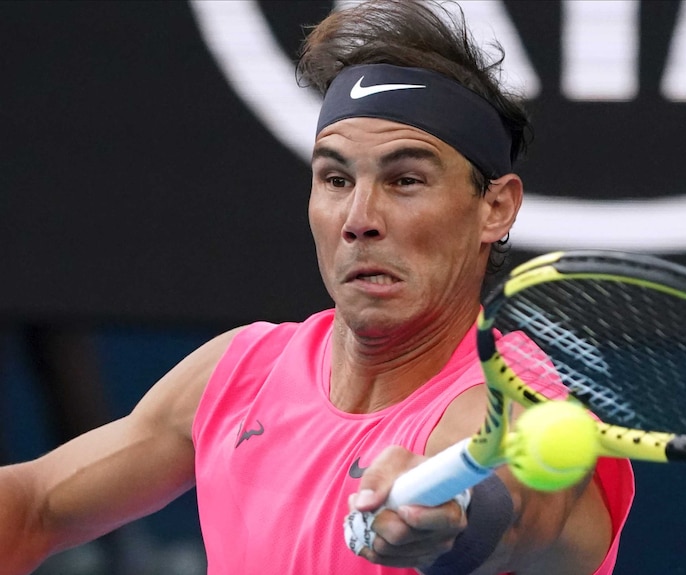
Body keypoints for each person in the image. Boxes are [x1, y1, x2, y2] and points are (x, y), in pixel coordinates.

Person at [0, 1, 634, 573]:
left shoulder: (516, 405)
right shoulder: (239, 372)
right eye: (335, 180)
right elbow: (32, 510)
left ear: (494, 209)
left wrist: (452, 513)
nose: (360, 219)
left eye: (405, 180)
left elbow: (522, 509)